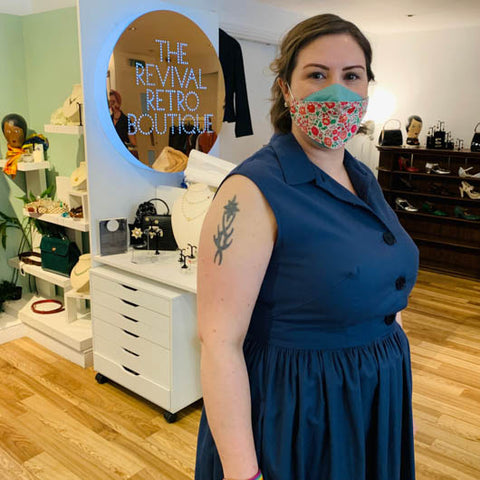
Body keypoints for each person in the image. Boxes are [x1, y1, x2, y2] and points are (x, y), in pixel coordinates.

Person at [195, 13, 418, 480]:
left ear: (366, 88)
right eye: (317, 74)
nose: (336, 90)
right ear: (286, 88)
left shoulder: (361, 177)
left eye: (351, 76)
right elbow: (219, 344)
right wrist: (243, 473)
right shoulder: (251, 191)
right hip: (301, 411)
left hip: (371, 395)